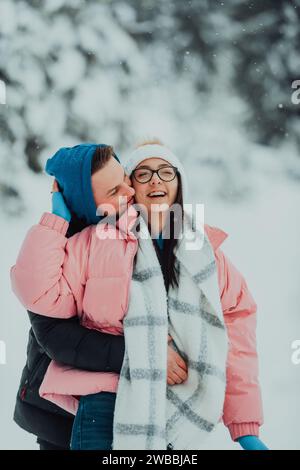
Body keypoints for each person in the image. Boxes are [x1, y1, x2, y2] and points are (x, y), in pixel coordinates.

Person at [10, 143, 188, 450]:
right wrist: (148, 354)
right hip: (59, 411)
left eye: (125, 179)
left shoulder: (136, 230)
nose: (129, 192)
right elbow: (56, 333)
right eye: (113, 191)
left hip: (134, 402)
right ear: (86, 202)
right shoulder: (58, 244)